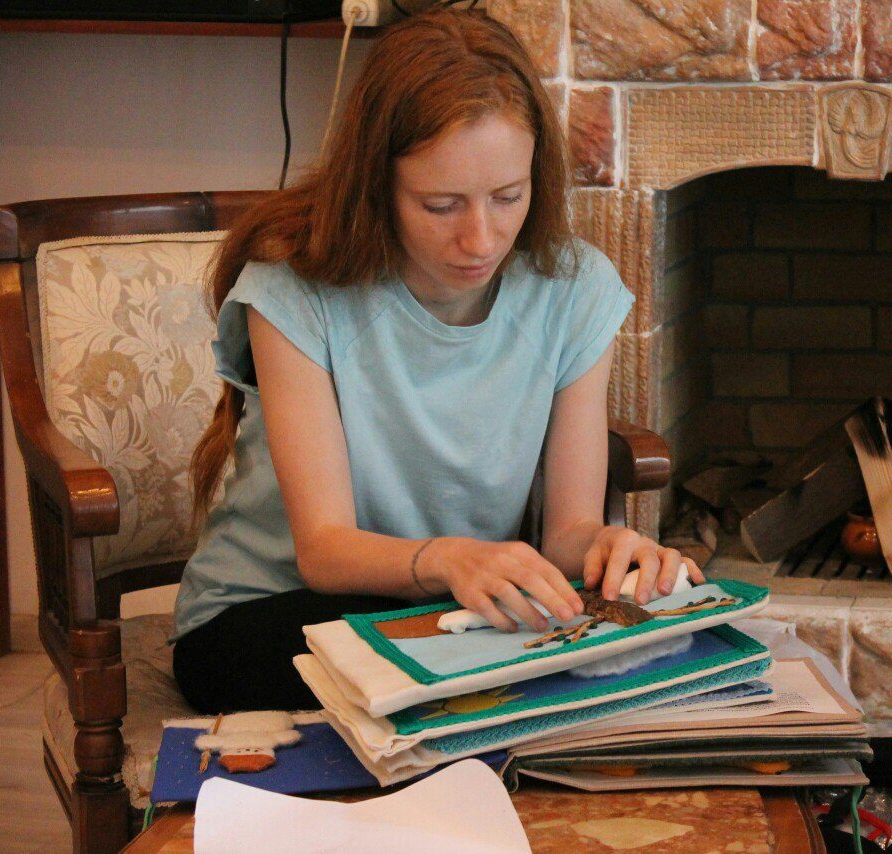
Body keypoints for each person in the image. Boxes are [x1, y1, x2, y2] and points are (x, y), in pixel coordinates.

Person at [170, 8, 704, 714]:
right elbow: (324, 551)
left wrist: (615, 547)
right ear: (377, 186)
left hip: (455, 608)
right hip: (266, 613)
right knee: (508, 671)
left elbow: (567, 537)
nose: (481, 239)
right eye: (441, 205)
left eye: (508, 197)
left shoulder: (576, 288)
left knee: (603, 652)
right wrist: (453, 559)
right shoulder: (295, 289)